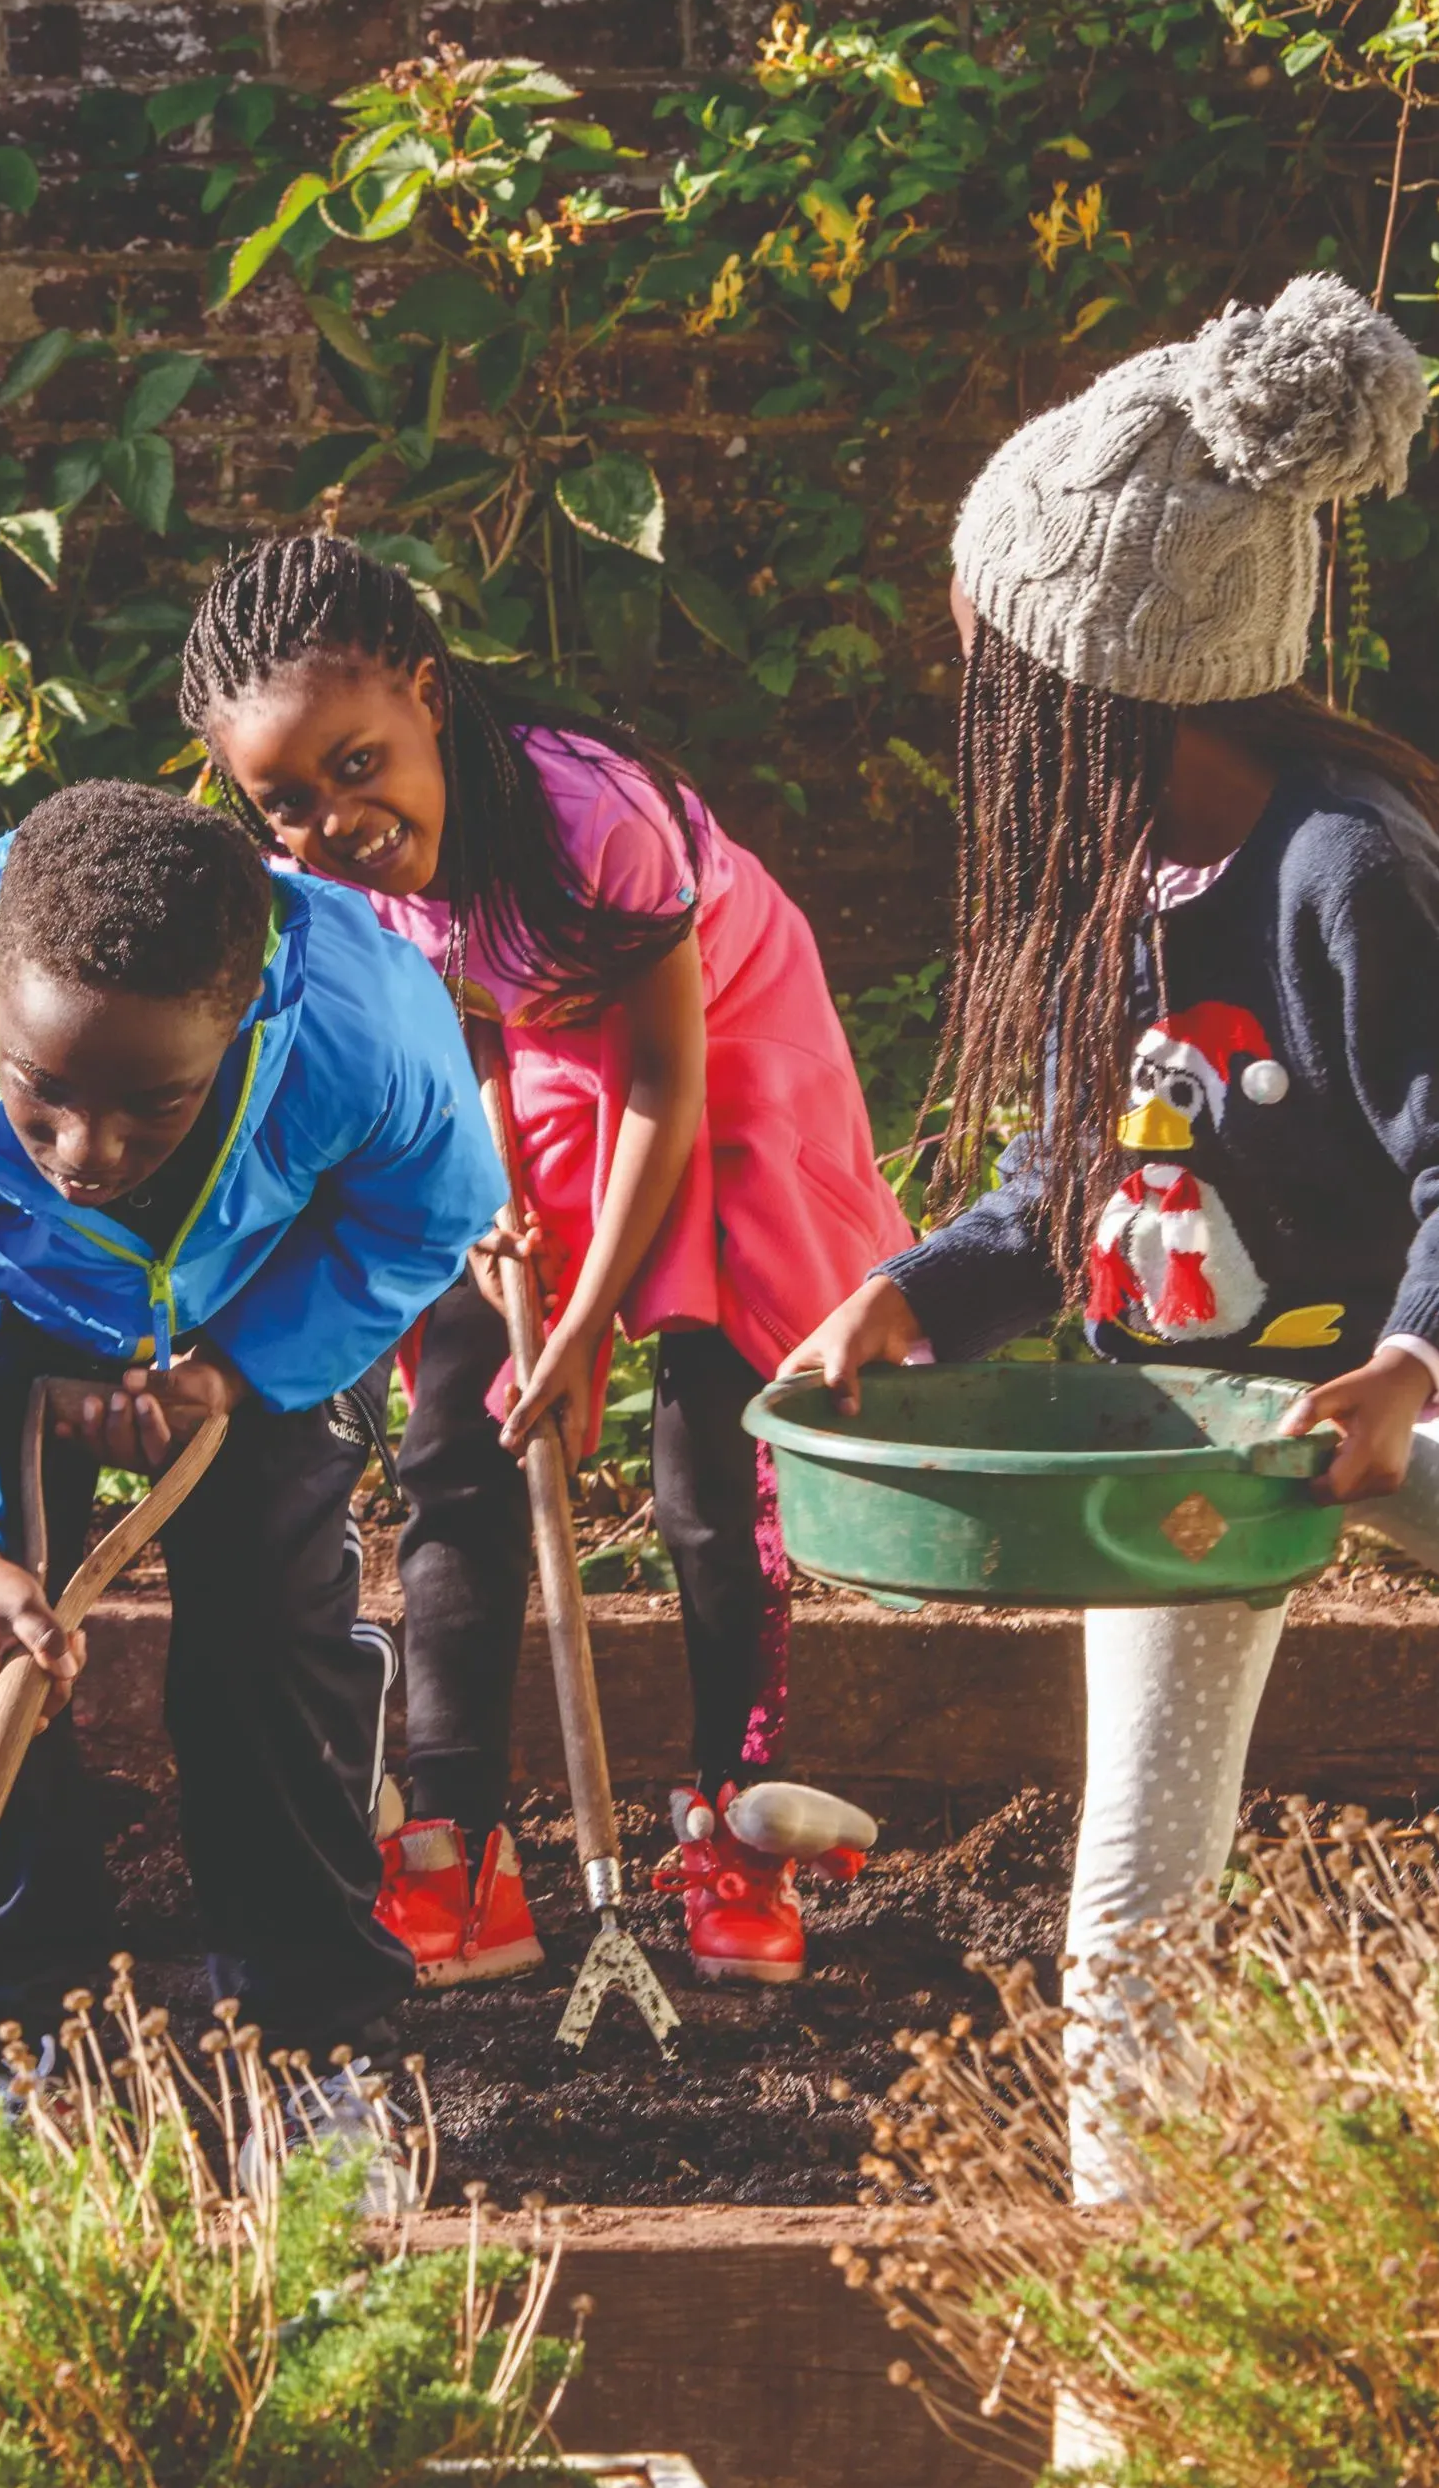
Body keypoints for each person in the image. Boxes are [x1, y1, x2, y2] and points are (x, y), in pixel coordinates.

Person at [780, 273, 1439, 2194]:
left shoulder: (1344, 866)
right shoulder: (1107, 876)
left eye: (994, 662)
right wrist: (916, 1296)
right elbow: (1062, 1192)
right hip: (1192, 1426)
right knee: (1133, 1870)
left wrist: (1411, 1372)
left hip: (1400, 1365)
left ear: (1110, 676)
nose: (972, 694)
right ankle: (1135, 2235)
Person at [180, 534, 900, 1990]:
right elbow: (474, 1013)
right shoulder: (329, 872)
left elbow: (665, 1085)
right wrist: (499, 1195)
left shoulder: (592, 816)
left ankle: (724, 1819)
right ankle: (457, 1838)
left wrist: (582, 1329)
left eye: (358, 765)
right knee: (465, 1424)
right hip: (547, 1050)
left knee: (713, 1447)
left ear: (428, 698)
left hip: (718, 1043)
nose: (333, 819)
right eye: (288, 803)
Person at [0, 779, 505, 2063]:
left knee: (273, 1645)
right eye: (43, 1094)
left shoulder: (362, 1026)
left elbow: (422, 1218)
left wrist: (233, 1374)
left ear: (236, 1027)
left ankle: (309, 2040)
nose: (85, 1149)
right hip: (1, 1313)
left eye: (150, 1107)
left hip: (259, 1305)